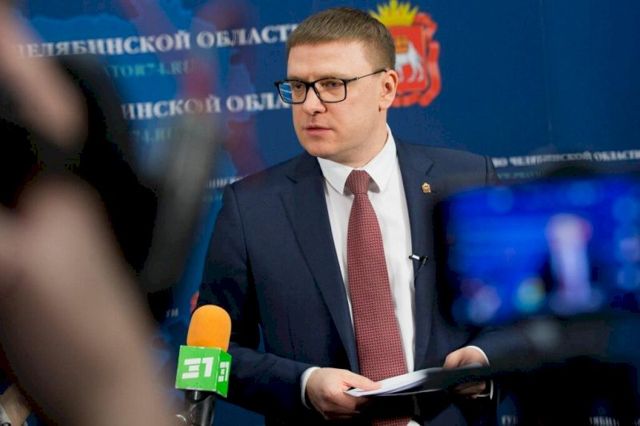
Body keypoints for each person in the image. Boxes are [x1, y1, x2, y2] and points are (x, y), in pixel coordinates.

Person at [199, 7, 501, 425]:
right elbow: (205, 361)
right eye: (298, 86)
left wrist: (485, 358)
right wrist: (304, 384)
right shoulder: (250, 207)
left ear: (386, 88)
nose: (310, 105)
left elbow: (525, 320)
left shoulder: (467, 181)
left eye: (331, 85)